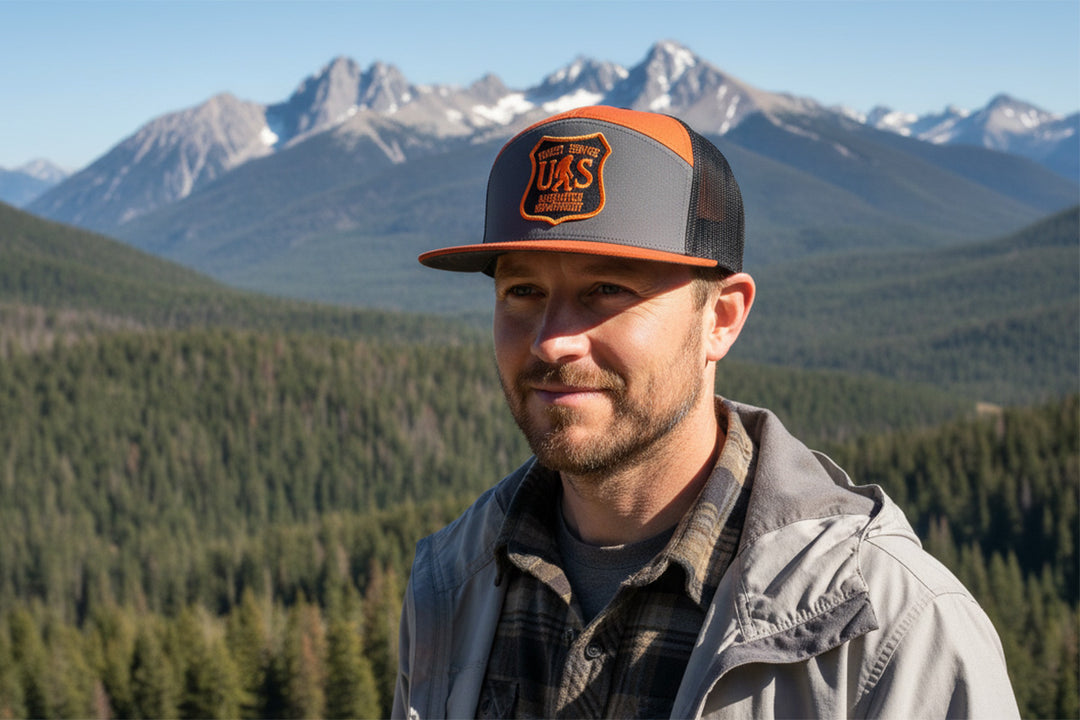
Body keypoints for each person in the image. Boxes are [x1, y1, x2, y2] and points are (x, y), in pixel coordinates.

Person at [393, 105, 1019, 719]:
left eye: (607, 290)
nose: (553, 340)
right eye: (521, 291)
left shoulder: (888, 627)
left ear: (721, 318)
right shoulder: (451, 585)